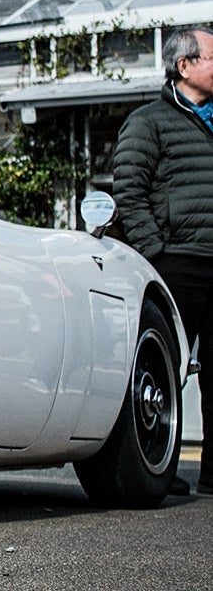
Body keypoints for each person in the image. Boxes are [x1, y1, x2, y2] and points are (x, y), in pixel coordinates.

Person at [113, 26, 213, 496]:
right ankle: (158, 469)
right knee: (164, 370)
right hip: (177, 263)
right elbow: (129, 191)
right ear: (184, 65)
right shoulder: (148, 122)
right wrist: (156, 252)